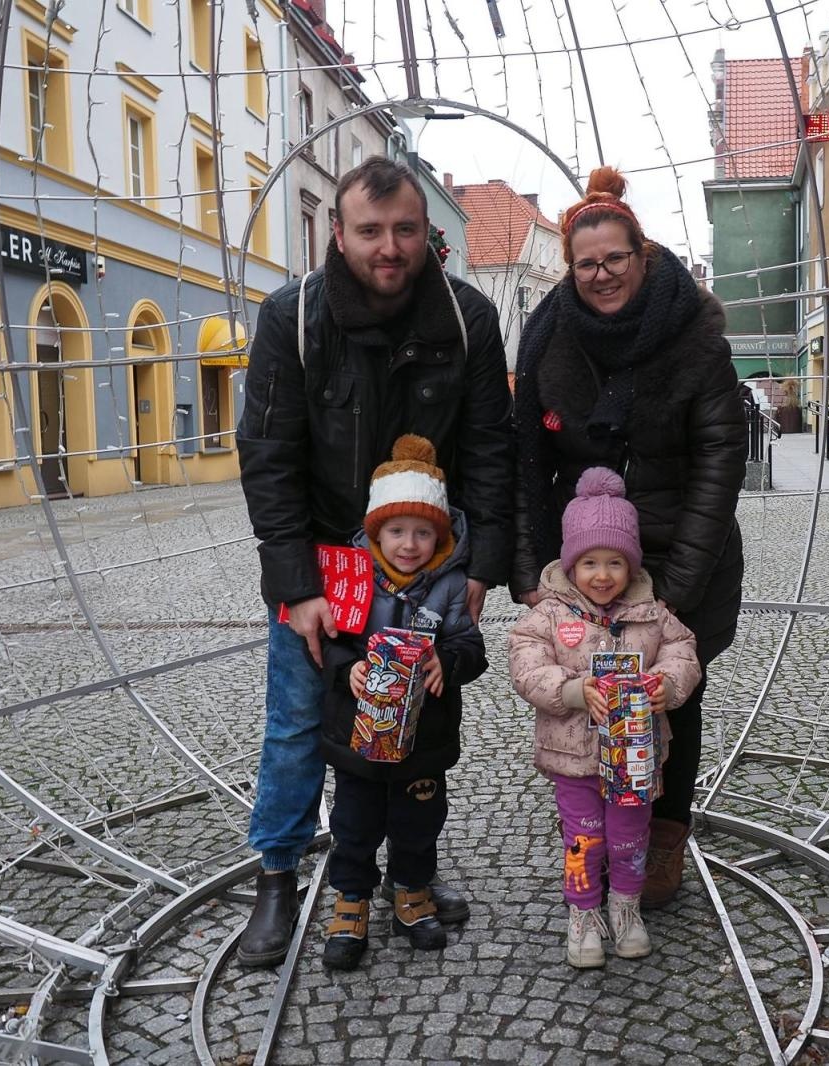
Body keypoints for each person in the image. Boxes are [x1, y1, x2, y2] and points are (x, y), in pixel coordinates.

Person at [236, 156, 512, 968]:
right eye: (370, 231)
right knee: (297, 726)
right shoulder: (292, 317)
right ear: (339, 232)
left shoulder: (466, 318)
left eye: (405, 230)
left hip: (428, 564)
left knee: (418, 717)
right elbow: (269, 459)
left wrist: (480, 566)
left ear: (426, 230)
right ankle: (279, 877)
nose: (389, 247)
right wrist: (296, 588)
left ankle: (406, 878)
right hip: (326, 566)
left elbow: (491, 448)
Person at [510, 166, 746, 906]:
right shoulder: (551, 336)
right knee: (584, 700)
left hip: (681, 553)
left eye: (615, 258)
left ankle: (662, 838)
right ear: (570, 268)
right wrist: (529, 568)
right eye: (586, 263)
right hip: (584, 562)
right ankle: (601, 833)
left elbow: (719, 459)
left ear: (642, 256)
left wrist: (677, 589)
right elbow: (528, 457)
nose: (602, 274)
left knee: (670, 699)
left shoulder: (695, 335)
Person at [509, 468, 701, 967]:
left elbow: (683, 651)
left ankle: (627, 907)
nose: (602, 574)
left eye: (615, 562)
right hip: (572, 756)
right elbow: (526, 665)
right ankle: (583, 913)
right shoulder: (549, 616)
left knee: (630, 837)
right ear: (571, 564)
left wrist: (667, 685)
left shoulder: (652, 613)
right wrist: (571, 690)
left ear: (631, 564)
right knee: (583, 839)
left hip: (635, 759)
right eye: (589, 562)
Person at [317, 436, 488, 971]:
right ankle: (352, 900)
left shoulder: (452, 586)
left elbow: (471, 647)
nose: (408, 544)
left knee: (420, 819)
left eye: (422, 532)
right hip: (357, 736)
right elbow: (329, 644)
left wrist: (448, 662)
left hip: (424, 739)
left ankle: (411, 890)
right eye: (396, 531)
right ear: (376, 533)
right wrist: (350, 670)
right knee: (353, 823)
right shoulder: (353, 580)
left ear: (439, 536)